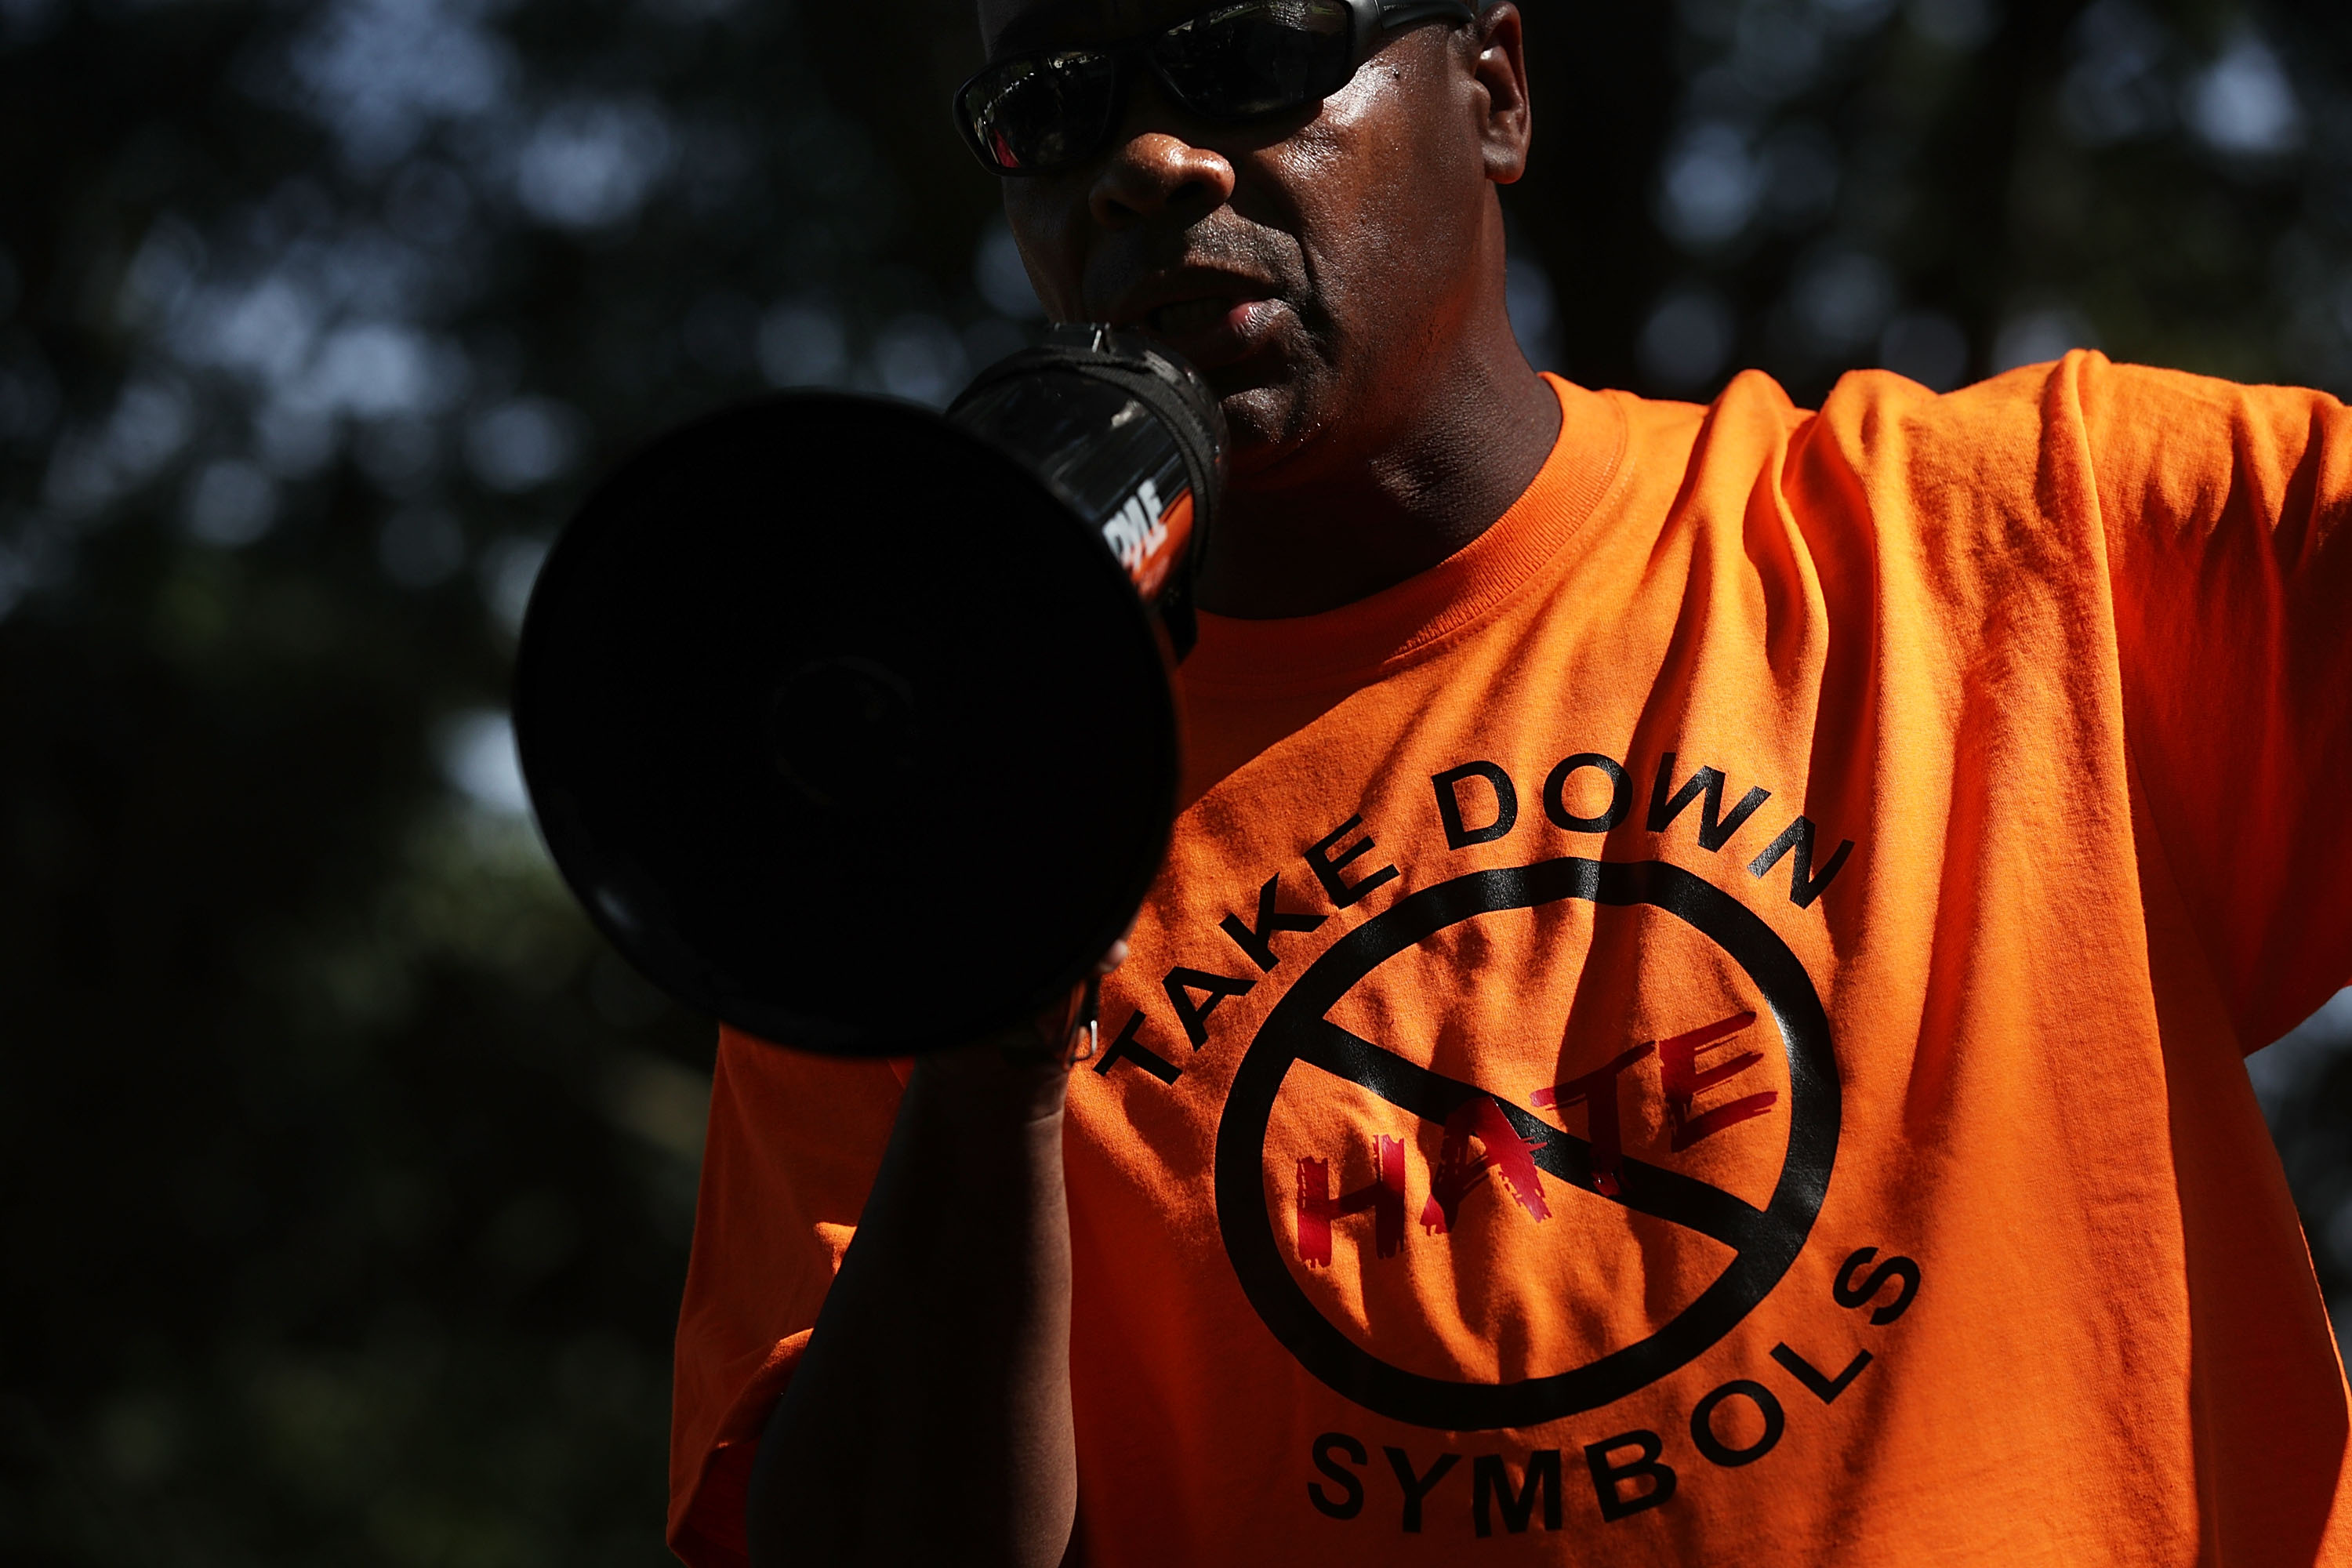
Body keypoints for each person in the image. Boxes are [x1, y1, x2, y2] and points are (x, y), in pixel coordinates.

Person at [669, 0, 2352, 1562]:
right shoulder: (896, 817)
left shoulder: (2024, 538)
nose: (1150, 160)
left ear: (1493, 91)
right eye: (1054, 108)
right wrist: (990, 1039)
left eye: (1250, 55)